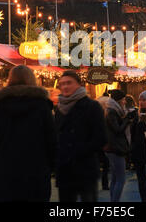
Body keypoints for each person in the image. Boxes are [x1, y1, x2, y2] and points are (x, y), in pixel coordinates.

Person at [0, 65, 56, 202]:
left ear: (10, 80)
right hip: (36, 169)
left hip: (5, 169)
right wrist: (51, 165)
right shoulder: (42, 105)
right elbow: (51, 138)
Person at [55, 70, 107, 202]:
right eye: (62, 84)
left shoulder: (92, 106)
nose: (65, 86)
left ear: (79, 84)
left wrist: (79, 151)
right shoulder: (59, 108)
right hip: (64, 169)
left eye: (69, 83)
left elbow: (101, 137)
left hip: (85, 168)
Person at [103, 89, 133, 202]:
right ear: (119, 100)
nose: (125, 102)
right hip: (115, 147)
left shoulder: (113, 110)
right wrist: (127, 120)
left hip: (113, 147)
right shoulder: (112, 111)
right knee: (121, 179)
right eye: (124, 99)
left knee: (115, 178)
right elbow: (118, 130)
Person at [96, 95, 111, 191]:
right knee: (106, 163)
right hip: (103, 142)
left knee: (98, 162)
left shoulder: (96, 107)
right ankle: (105, 184)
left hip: (96, 143)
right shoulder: (107, 113)